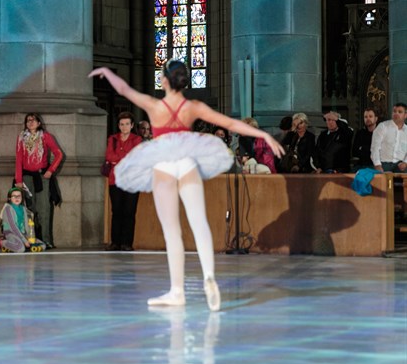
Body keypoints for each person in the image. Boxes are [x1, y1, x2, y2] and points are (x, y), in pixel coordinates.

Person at [89, 60, 284, 310]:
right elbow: (229, 123)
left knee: (172, 231)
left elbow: (124, 89)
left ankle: (177, 291)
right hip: (187, 163)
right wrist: (263, 134)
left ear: (165, 81)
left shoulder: (154, 105)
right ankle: (209, 276)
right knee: (199, 222)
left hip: (164, 166)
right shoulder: (192, 107)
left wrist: (107, 72)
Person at [14, 113, 63, 249]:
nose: (31, 122)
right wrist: (18, 179)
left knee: (44, 208)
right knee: (28, 209)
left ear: (39, 123)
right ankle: (30, 240)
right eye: (28, 120)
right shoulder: (21, 138)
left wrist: (51, 170)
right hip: (26, 178)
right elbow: (18, 159)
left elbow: (59, 154)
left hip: (42, 177)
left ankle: (46, 240)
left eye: (33, 120)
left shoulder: (45, 136)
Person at [102, 111, 142, 251]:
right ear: (118, 125)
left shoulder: (137, 140)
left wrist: (118, 160)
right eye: (122, 124)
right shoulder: (112, 139)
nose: (124, 127)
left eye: (127, 124)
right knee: (116, 211)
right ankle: (115, 242)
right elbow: (109, 156)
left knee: (129, 212)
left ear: (132, 125)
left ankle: (126, 243)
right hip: (115, 180)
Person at [0, 186, 43, 253]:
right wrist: (24, 240)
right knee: (21, 248)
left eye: (19, 196)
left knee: (42, 245)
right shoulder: (8, 209)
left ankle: (16, 246)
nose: (17, 198)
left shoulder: (23, 208)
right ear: (9, 198)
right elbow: (13, 227)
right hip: (12, 233)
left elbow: (27, 225)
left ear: (22, 198)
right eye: (14, 196)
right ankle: (2, 242)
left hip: (23, 234)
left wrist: (30, 237)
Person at [370, 103, 407, 173]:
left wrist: (405, 162)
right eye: (394, 111)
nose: (396, 114)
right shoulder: (382, 126)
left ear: (405, 115)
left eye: (400, 112)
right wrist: (377, 165)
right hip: (383, 164)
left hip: (401, 164)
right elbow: (375, 148)